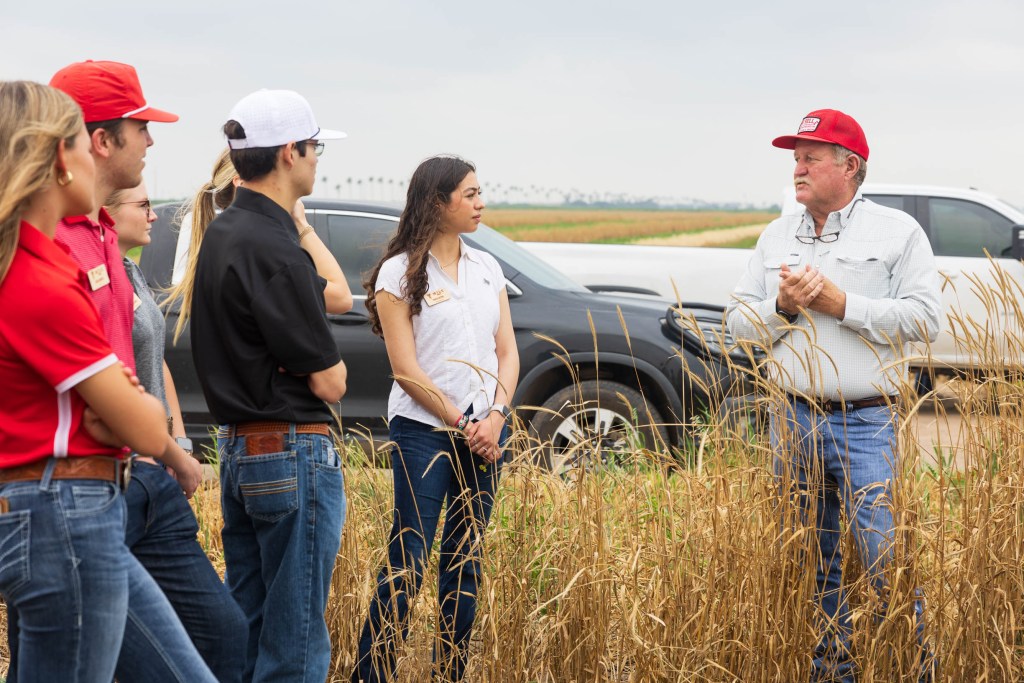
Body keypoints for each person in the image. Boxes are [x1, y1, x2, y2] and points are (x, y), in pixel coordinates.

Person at [0, 80, 213, 683]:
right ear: (59, 159)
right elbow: (143, 423)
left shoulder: (30, 262)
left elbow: (128, 413)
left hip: (67, 507)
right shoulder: (40, 276)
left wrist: (116, 407)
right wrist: (121, 409)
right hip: (64, 511)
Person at [726, 109, 941, 682]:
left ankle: (912, 669)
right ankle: (832, 671)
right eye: (795, 158)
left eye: (810, 157)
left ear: (849, 166)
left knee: (883, 557)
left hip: (867, 420)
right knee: (811, 560)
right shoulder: (776, 236)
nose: (797, 168)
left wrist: (843, 305)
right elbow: (737, 324)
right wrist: (783, 307)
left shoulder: (897, 233)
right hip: (792, 417)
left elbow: (926, 320)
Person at [190, 89, 348, 683]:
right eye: (315, 149)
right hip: (291, 447)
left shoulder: (226, 233)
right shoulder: (273, 250)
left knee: (250, 630)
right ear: (290, 153)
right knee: (296, 643)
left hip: (239, 449)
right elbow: (332, 382)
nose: (316, 160)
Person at [351, 155, 519, 683]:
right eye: (469, 194)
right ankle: (370, 675)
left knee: (465, 561)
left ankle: (449, 673)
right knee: (409, 560)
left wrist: (494, 416)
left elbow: (507, 353)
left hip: (487, 432)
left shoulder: (486, 267)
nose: (481, 203)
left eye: (479, 192)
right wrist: (463, 422)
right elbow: (405, 370)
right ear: (436, 202)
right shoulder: (399, 273)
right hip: (424, 433)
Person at [107, 181, 247, 682]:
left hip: (152, 476)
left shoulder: (131, 272)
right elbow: (109, 387)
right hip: (117, 480)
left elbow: (157, 366)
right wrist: (172, 454)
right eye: (143, 204)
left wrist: (179, 446)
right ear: (107, 212)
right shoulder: (94, 279)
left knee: (223, 634)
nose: (153, 215)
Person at [165, 148, 352, 345]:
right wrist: (301, 223)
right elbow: (341, 298)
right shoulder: (262, 251)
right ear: (241, 185)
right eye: (275, 178)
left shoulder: (222, 243)